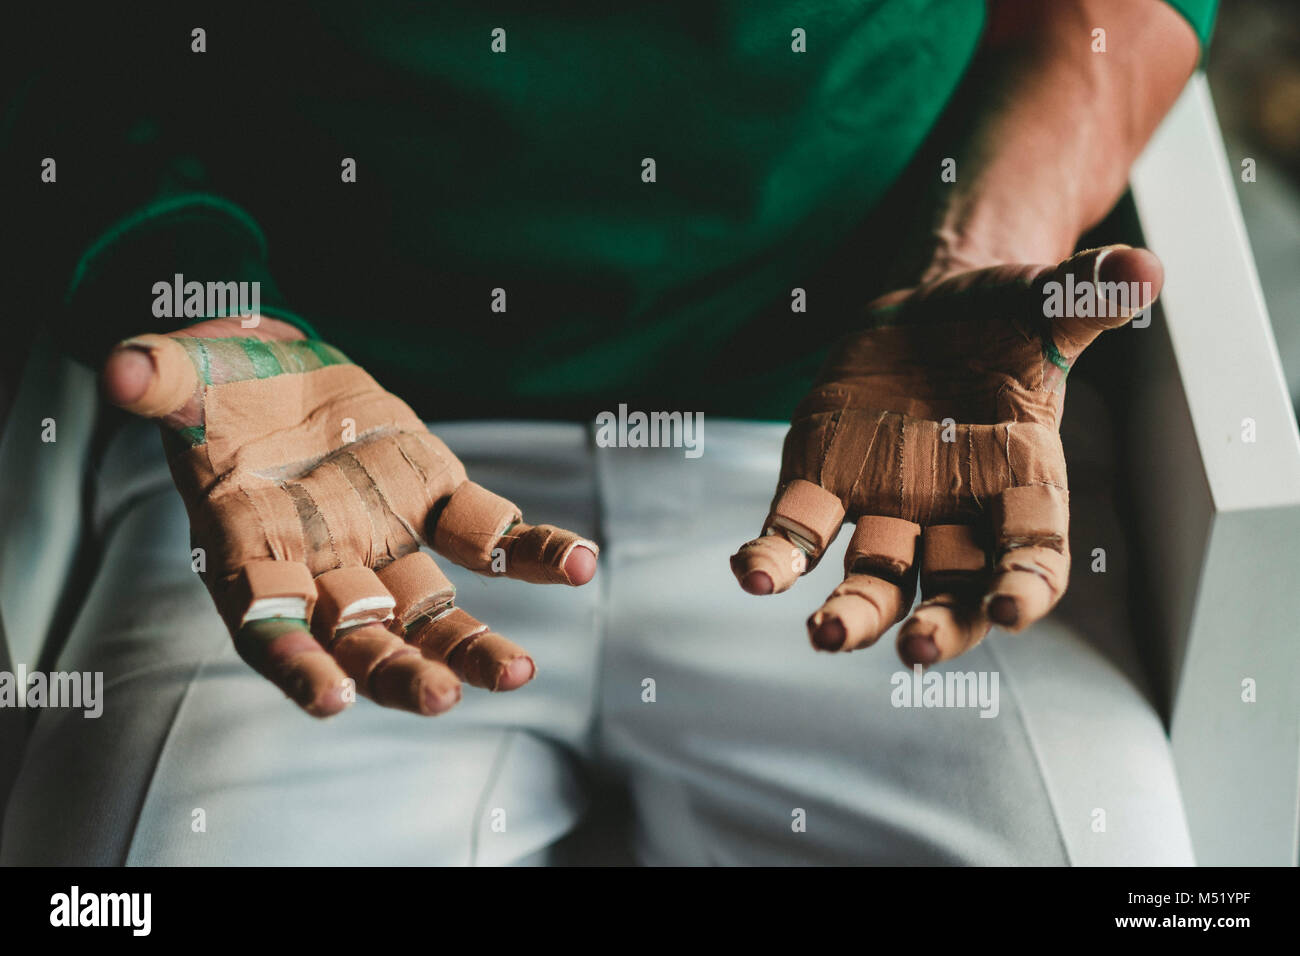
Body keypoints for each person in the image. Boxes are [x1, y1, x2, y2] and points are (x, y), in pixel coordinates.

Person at [0, 0, 1216, 864]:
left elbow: (1118, 13)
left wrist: (980, 254)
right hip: (320, 461)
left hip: (861, 452)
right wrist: (196, 289)